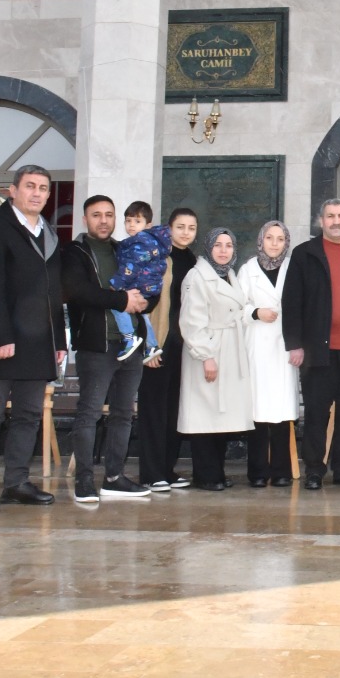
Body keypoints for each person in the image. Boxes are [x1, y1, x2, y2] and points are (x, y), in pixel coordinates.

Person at [0, 165, 67, 514]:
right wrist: (1, 335)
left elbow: (53, 291)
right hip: (3, 339)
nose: (37, 193)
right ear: (13, 190)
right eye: (30, 187)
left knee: (27, 414)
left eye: (43, 188)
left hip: (39, 341)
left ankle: (16, 483)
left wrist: (58, 339)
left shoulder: (48, 233)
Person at [61, 195, 154, 502]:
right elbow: (78, 291)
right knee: (89, 413)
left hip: (131, 346)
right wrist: (121, 300)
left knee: (123, 413)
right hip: (96, 345)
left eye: (109, 215)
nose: (104, 220)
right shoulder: (74, 252)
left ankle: (114, 477)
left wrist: (144, 300)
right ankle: (84, 480)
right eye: (96, 215)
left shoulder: (124, 249)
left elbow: (146, 284)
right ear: (85, 219)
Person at [282, 199, 340, 490]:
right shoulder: (304, 254)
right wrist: (294, 344)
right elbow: (292, 301)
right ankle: (314, 470)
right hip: (317, 350)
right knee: (317, 412)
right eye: (330, 216)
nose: (336, 221)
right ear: (321, 221)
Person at [179, 228, 253, 490]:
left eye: (229, 245)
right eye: (218, 245)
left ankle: (216, 472)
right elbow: (190, 321)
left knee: (221, 415)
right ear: (208, 248)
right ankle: (205, 475)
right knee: (204, 415)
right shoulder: (197, 276)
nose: (223, 250)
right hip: (208, 350)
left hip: (230, 349)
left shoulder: (229, 275)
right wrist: (205, 356)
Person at [136, 208, 198, 490]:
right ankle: (151, 472)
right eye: (180, 226)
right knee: (154, 410)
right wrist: (148, 348)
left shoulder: (194, 261)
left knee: (174, 409)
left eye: (191, 228)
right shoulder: (156, 257)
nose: (185, 232)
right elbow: (143, 306)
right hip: (158, 342)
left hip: (182, 345)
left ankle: (167, 469)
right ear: (169, 228)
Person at [237, 220, 298, 487]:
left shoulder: (293, 268)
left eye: (280, 239)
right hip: (257, 343)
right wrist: (255, 313)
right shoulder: (247, 270)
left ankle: (282, 470)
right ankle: (258, 472)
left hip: (286, 345)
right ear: (260, 241)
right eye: (269, 238)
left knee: (282, 409)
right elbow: (235, 305)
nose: (274, 243)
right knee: (258, 409)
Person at [110, 201, 171, 361]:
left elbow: (132, 266)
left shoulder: (140, 242)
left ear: (148, 224)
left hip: (140, 284)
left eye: (137, 221)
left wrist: (116, 284)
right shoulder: (150, 241)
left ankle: (129, 338)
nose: (131, 225)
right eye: (128, 220)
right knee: (143, 315)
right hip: (149, 285)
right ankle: (152, 346)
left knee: (118, 305)